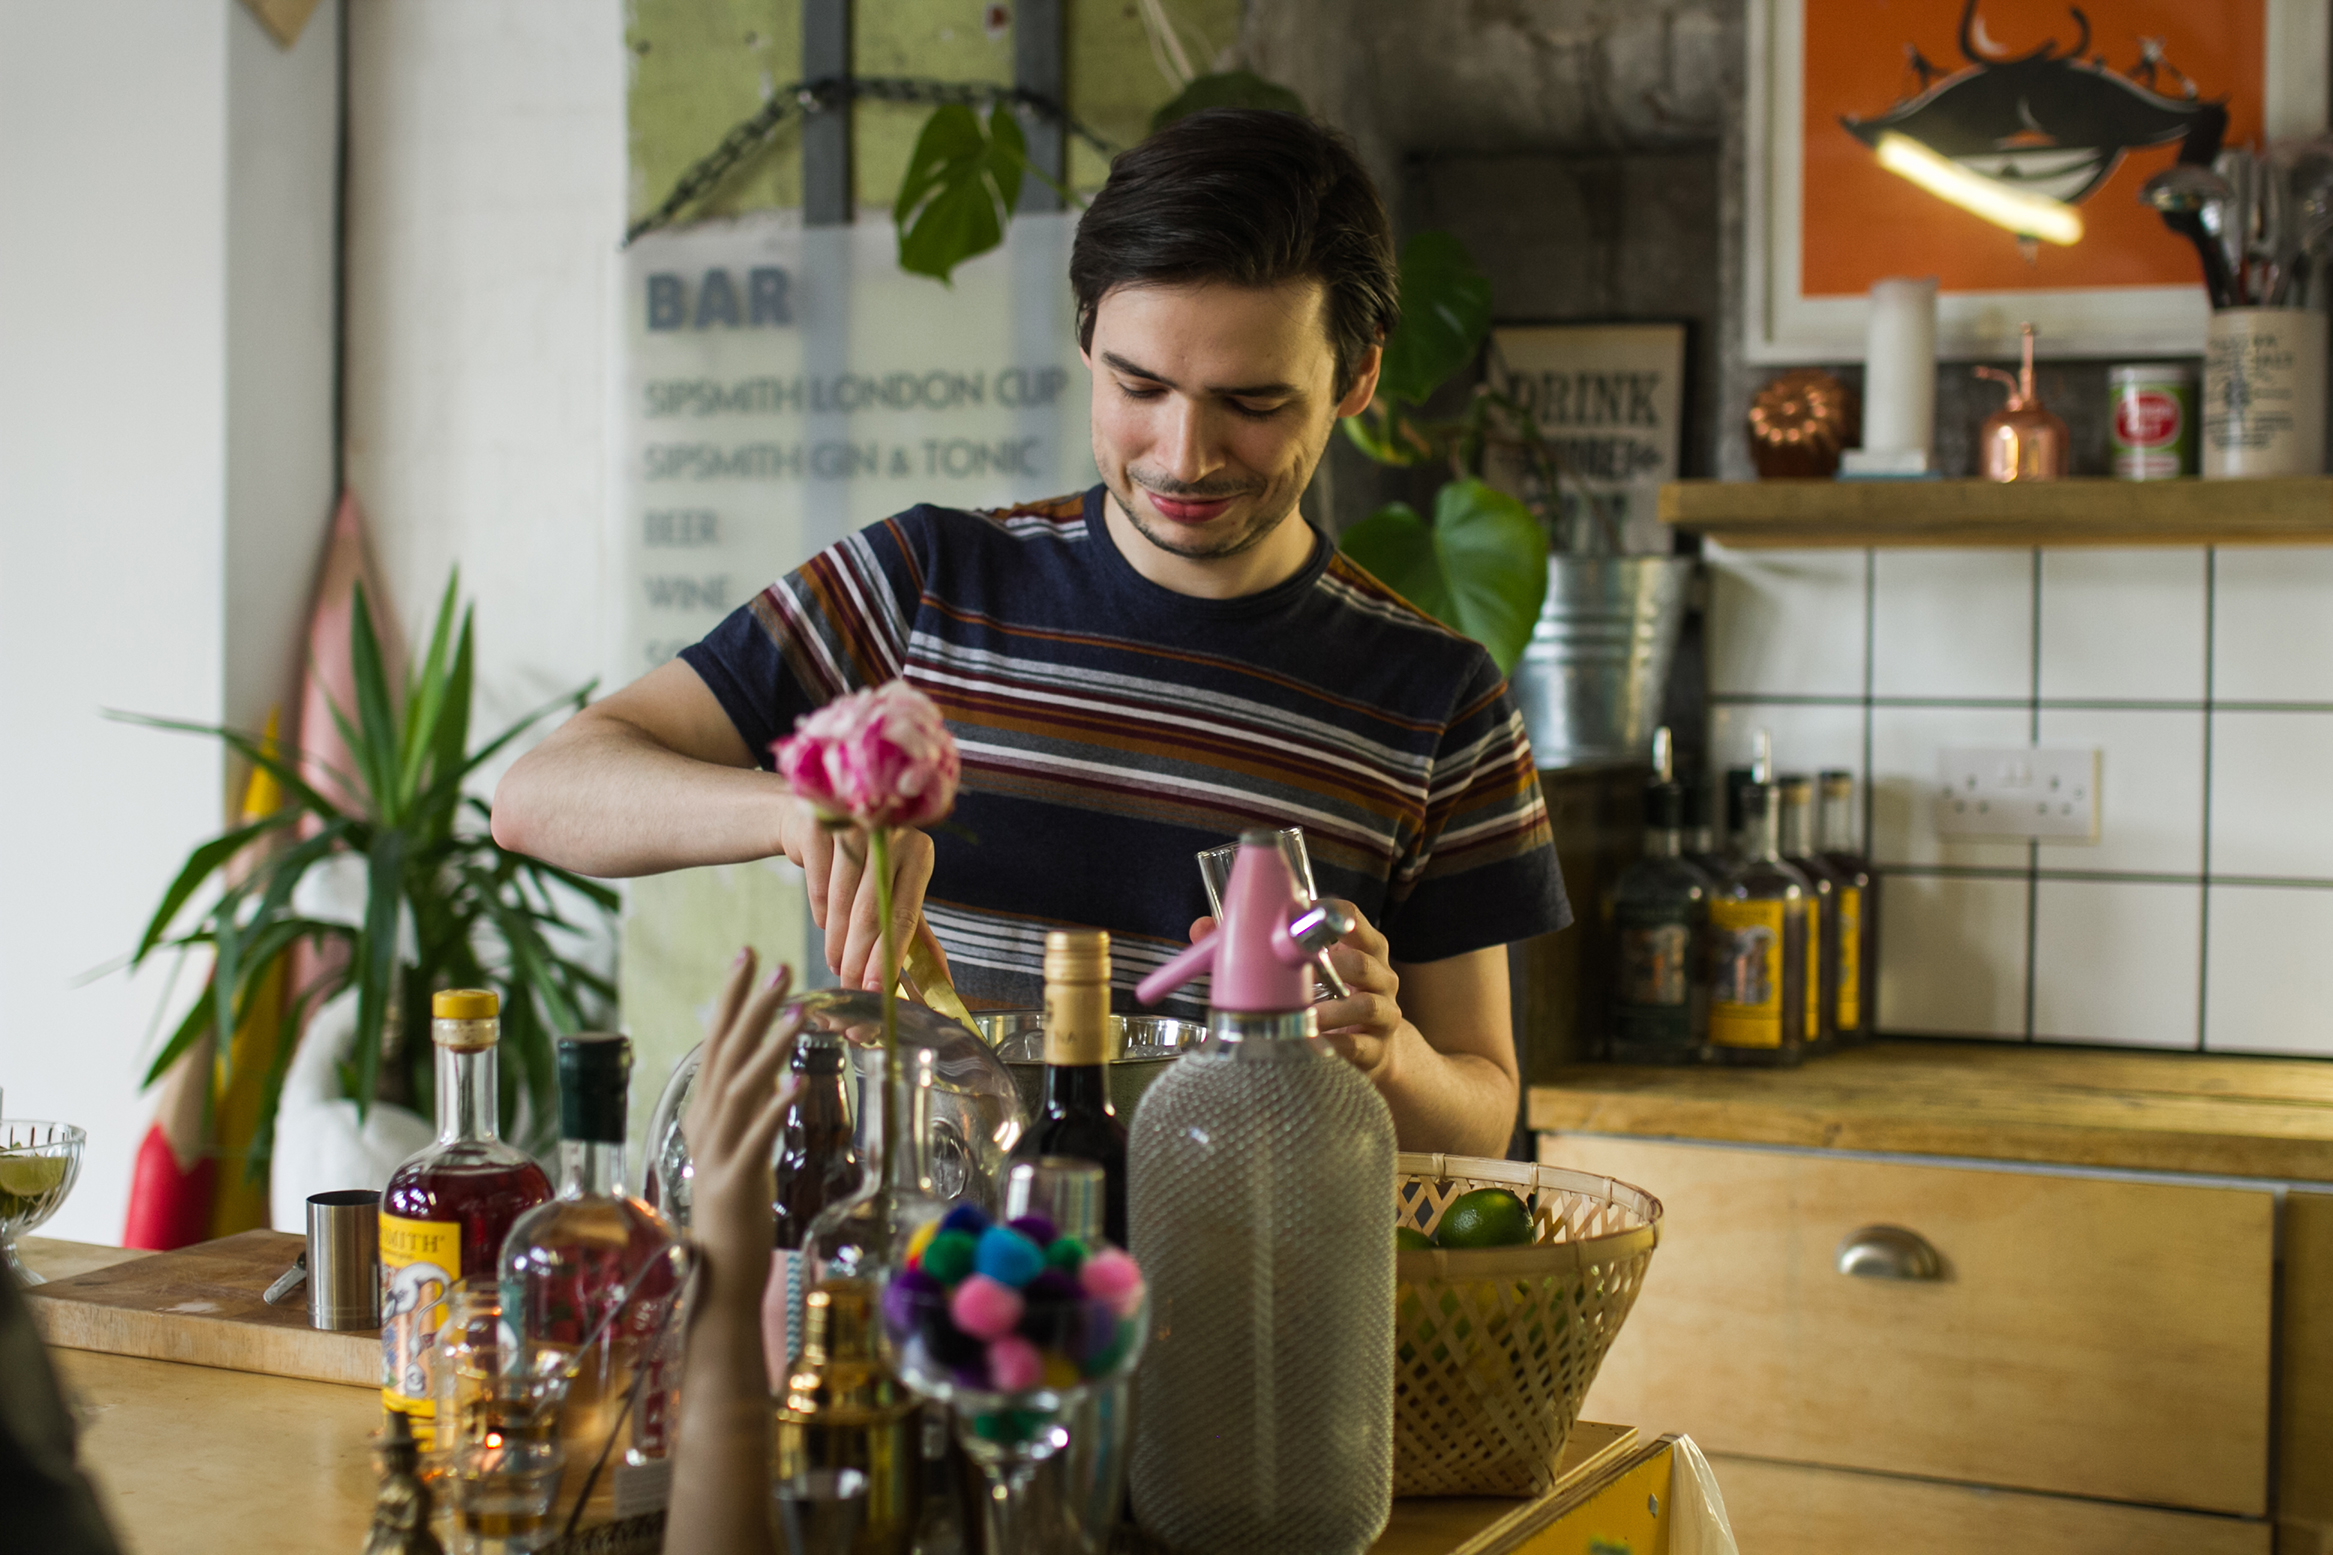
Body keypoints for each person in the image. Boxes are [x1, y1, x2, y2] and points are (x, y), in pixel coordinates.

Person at [493, 109, 1568, 1157]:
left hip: (1242, 1300)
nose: (1183, 454)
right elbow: (541, 795)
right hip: (934, 1295)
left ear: (1358, 376)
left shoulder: (1438, 697)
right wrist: (789, 810)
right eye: (1137, 385)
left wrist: (1386, 1054)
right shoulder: (927, 582)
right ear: (1087, 337)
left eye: (1251, 401)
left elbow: (1485, 1110)